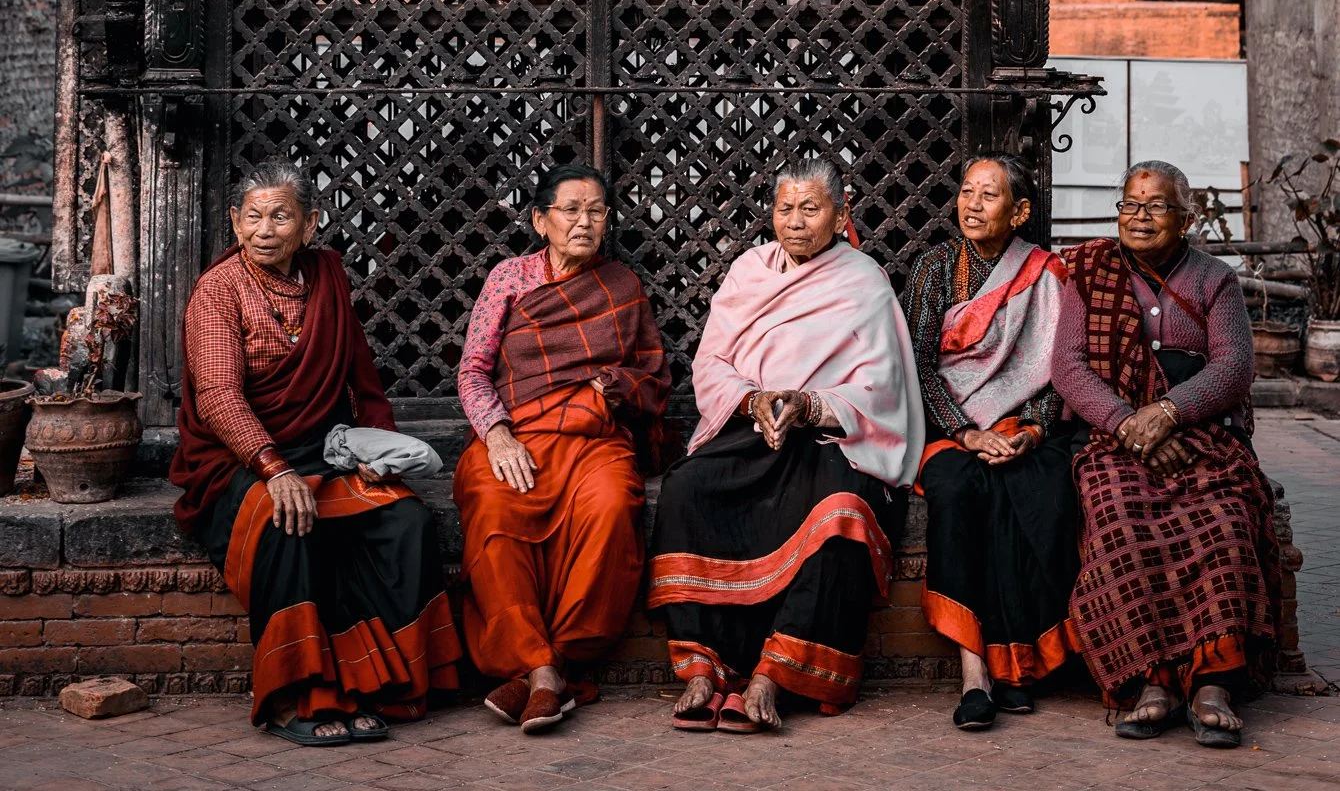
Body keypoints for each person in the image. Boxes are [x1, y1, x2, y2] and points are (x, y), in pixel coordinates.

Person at [170, 159, 460, 748]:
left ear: (309, 224)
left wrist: (380, 451)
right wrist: (273, 470)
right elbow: (220, 397)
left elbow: (359, 372)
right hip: (235, 461)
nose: (264, 229)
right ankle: (295, 696)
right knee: (288, 526)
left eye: (280, 215)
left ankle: (386, 681)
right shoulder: (217, 291)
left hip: (322, 451)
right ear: (235, 220)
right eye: (253, 216)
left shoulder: (327, 274)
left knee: (402, 518)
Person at [648, 150, 923, 733]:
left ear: (841, 212)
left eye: (811, 208)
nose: (795, 221)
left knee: (841, 513)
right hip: (751, 425)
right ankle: (703, 668)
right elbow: (712, 361)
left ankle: (776, 671)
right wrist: (754, 401)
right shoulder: (749, 270)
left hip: (828, 437)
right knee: (685, 489)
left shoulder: (864, 281)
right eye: (784, 207)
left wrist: (807, 406)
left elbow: (883, 386)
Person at [1053, 159, 1281, 748]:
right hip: (1113, 438)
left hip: (1201, 433)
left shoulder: (1214, 279)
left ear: (1187, 217)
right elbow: (1069, 368)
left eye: (1156, 205)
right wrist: (1131, 423)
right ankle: (1150, 682)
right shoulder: (1087, 273)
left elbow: (1234, 365)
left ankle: (1214, 683)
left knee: (1225, 520)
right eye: (1131, 203)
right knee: (1118, 520)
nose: (1140, 216)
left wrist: (1169, 413)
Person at [453, 160, 669, 733]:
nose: (584, 221)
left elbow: (651, 372)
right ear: (540, 220)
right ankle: (544, 670)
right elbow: (473, 370)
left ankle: (551, 663)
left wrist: (611, 387)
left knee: (612, 504)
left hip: (594, 436)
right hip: (516, 434)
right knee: (492, 504)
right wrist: (497, 436)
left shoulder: (622, 284)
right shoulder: (508, 278)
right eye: (570, 210)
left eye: (596, 211)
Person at [904, 154, 1077, 731]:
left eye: (989, 195)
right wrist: (967, 430)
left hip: (1025, 428)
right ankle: (974, 673)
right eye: (967, 192)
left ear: (1019, 211)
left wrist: (1030, 429)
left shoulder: (1046, 273)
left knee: (1035, 494)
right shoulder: (933, 269)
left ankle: (1017, 669)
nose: (972, 205)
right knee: (958, 493)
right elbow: (920, 368)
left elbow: (1059, 368)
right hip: (951, 428)